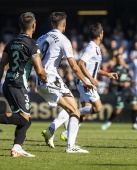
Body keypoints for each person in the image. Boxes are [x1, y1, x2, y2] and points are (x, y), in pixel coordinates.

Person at [41, 22, 118, 147]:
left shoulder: (96, 48)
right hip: (85, 83)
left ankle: (63, 132)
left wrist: (107, 74)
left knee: (86, 114)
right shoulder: (91, 47)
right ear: (100, 34)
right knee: (98, 108)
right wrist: (89, 80)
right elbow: (81, 64)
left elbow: (93, 67)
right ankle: (63, 127)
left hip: (86, 82)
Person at [37, 12, 96, 153]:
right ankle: (71, 146)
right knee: (74, 111)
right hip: (51, 79)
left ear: (52, 23)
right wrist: (85, 81)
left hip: (42, 80)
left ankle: (51, 131)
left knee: (73, 106)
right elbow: (74, 66)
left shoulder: (41, 38)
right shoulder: (64, 40)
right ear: (63, 24)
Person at [0, 12, 47, 157]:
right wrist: (45, 78)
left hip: (8, 84)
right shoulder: (32, 45)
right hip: (18, 85)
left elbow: (2, 66)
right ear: (34, 26)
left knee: (24, 119)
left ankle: (16, 148)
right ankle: (17, 147)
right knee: (24, 119)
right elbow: (39, 71)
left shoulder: (11, 43)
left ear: (20, 26)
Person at [101, 54, 137, 130]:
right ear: (116, 60)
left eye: (121, 58)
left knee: (135, 106)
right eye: (118, 59)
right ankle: (108, 122)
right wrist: (121, 84)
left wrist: (131, 82)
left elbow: (128, 78)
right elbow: (112, 82)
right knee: (118, 110)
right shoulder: (114, 69)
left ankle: (134, 124)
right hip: (120, 91)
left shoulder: (126, 68)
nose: (120, 60)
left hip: (129, 90)